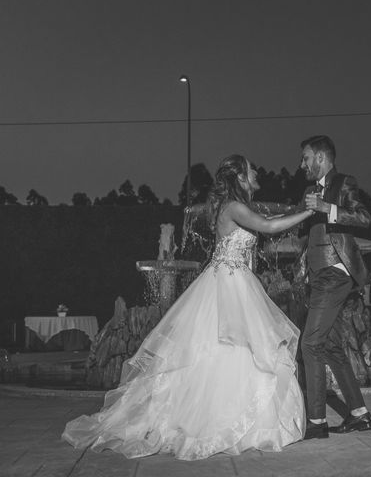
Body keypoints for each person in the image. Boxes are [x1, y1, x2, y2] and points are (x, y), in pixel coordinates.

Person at [62, 155, 314, 460]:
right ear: (240, 178)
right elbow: (269, 226)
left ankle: (237, 420)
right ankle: (217, 423)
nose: (257, 172)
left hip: (231, 280)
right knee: (230, 347)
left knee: (235, 350)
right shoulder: (234, 207)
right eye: (251, 169)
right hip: (230, 283)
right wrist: (308, 211)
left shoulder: (231, 206)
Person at [297, 135, 371, 440]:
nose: (301, 164)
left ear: (321, 157)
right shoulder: (307, 191)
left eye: (305, 158)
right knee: (329, 346)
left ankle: (316, 422)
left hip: (336, 272)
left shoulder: (344, 183)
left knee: (310, 344)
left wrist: (329, 207)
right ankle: (359, 414)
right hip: (318, 276)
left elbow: (365, 217)